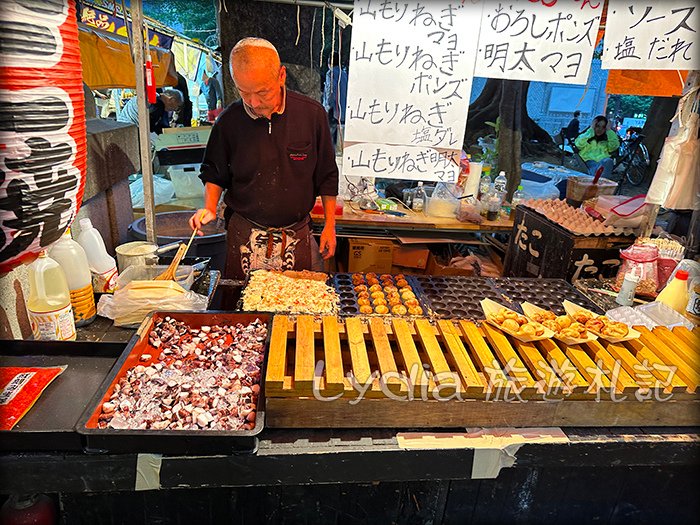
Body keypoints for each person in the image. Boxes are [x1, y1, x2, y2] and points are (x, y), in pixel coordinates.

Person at [189, 37, 338, 280]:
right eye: (244, 92)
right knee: (243, 311)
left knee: (296, 309)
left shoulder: (312, 115)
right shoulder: (229, 121)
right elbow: (214, 172)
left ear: (281, 76)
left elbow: (327, 174)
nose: (254, 103)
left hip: (296, 232)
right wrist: (209, 207)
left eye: (262, 92)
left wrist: (330, 225)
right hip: (245, 234)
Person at [117, 89, 184, 134]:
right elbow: (153, 127)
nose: (175, 109)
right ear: (171, 99)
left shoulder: (158, 101)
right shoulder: (153, 98)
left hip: (131, 128)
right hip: (128, 129)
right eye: (177, 106)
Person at [574, 115, 620, 180]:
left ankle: (598, 177)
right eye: (597, 126)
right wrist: (591, 129)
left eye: (603, 127)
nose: (600, 129)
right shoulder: (586, 137)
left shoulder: (607, 141)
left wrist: (609, 130)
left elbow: (614, 146)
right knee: (595, 166)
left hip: (603, 163)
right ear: (594, 126)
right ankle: (597, 176)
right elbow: (579, 144)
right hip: (587, 162)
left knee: (607, 161)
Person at [322, 52, 348, 149]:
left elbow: (330, 91)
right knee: (338, 138)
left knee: (329, 139)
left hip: (333, 110)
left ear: (329, 62)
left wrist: (327, 107)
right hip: (343, 110)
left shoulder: (330, 74)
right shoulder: (344, 74)